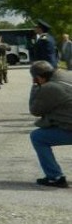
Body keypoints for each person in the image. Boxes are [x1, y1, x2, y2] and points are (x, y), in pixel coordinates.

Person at [29, 60, 72, 188]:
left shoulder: (49, 88)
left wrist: (35, 87)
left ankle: (55, 177)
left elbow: (35, 110)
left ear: (38, 78)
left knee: (38, 137)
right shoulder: (68, 75)